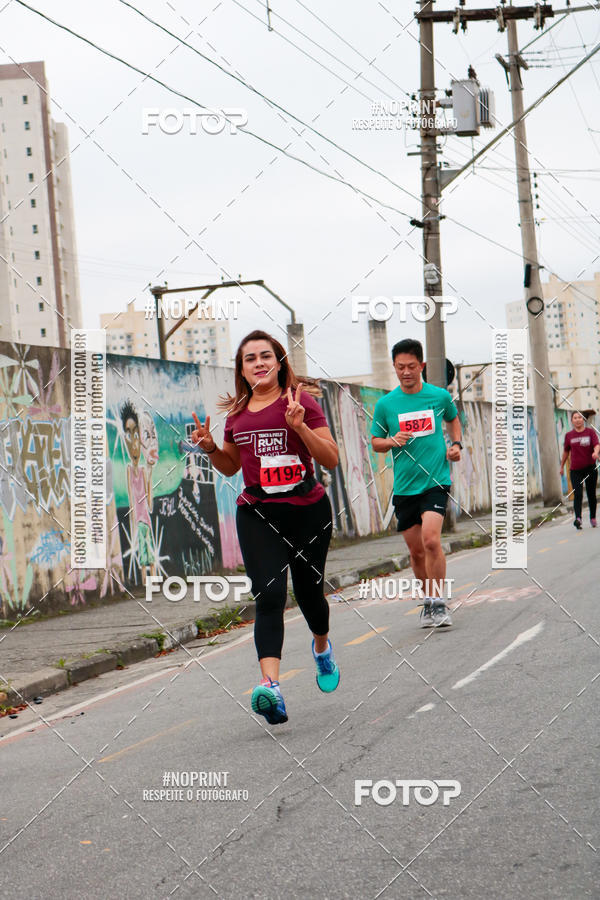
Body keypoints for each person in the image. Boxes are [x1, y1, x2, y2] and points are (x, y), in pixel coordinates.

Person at [190, 330, 340, 725]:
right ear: (241, 370)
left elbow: (331, 458)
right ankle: (271, 687)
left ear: (279, 362)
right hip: (258, 513)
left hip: (307, 511)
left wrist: (300, 427)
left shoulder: (300, 402)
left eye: (265, 356)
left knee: (309, 596)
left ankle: (322, 648)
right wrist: (210, 448)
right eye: (250, 358)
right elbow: (230, 466)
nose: (259, 363)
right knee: (269, 595)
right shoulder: (237, 415)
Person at [370, 339, 462, 628]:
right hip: (405, 486)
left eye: (411, 366)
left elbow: (453, 419)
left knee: (431, 540)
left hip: (435, 480)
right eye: (400, 367)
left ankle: (439, 602)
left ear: (421, 366)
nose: (406, 372)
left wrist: (456, 444)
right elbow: (375, 442)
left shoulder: (439, 396)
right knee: (416, 552)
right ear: (394, 367)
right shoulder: (386, 404)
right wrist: (391, 441)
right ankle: (429, 601)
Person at [560, 410, 599, 529]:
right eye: (575, 418)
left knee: (591, 494)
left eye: (580, 417)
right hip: (575, 470)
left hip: (590, 468)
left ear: (583, 419)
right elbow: (566, 451)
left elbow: (597, 445)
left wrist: (595, 453)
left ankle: (593, 517)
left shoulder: (590, 432)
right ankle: (578, 518)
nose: (577, 420)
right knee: (577, 494)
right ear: (572, 421)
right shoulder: (569, 435)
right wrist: (561, 466)